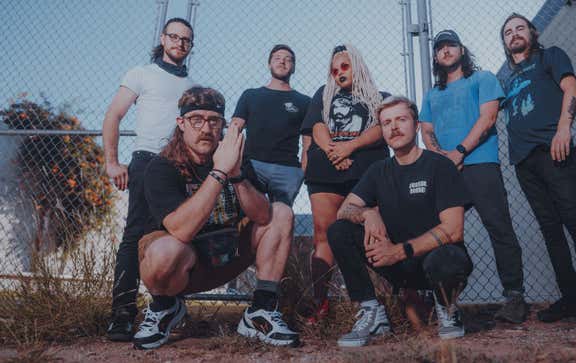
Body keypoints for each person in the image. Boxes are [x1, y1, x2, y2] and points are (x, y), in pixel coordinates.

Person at [132, 86, 299, 349]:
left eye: (213, 121)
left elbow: (264, 216)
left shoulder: (236, 160)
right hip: (184, 267)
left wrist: (236, 174)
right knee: (166, 249)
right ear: (181, 124)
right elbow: (181, 230)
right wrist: (220, 171)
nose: (205, 128)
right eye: (196, 119)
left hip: (227, 256)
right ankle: (165, 307)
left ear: (222, 124)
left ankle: (260, 310)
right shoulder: (162, 167)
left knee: (281, 212)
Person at [327, 96, 473, 346]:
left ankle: (447, 308)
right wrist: (368, 213)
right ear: (382, 131)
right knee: (340, 230)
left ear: (416, 125)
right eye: (386, 123)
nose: (393, 127)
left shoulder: (440, 166)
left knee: (448, 258)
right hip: (398, 266)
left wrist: (399, 251)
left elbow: (453, 230)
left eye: (401, 119)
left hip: (434, 261)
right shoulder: (378, 171)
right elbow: (344, 210)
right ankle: (372, 312)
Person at [500, 13, 576, 328]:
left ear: (532, 33)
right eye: (508, 32)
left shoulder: (550, 55)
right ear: (505, 43)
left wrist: (564, 128)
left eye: (520, 28)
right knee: (550, 230)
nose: (514, 34)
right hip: (524, 162)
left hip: (553, 150)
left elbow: (572, 90)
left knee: (575, 222)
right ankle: (570, 296)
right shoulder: (508, 80)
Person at [419, 30, 527, 323]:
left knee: (499, 226)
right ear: (436, 57)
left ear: (462, 50)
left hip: (479, 164)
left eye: (450, 45)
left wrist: (460, 152)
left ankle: (514, 297)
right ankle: (447, 302)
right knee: (443, 234)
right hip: (446, 171)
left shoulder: (482, 79)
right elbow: (426, 130)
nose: (445, 51)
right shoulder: (432, 94)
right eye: (439, 48)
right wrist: (441, 156)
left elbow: (488, 117)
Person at [102, 17, 196, 341]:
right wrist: (112, 162)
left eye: (186, 40)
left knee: (174, 234)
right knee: (134, 236)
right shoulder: (141, 73)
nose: (179, 43)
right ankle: (122, 315)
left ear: (190, 46)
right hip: (145, 161)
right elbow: (113, 115)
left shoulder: (191, 87)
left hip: (178, 166)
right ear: (163, 38)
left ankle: (164, 308)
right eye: (174, 37)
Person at [300, 44, 390, 324]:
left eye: (345, 66)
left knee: (372, 234)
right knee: (323, 236)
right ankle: (321, 304)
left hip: (364, 172)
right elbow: (317, 127)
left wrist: (348, 148)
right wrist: (333, 152)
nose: (339, 73)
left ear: (358, 66)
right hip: (325, 173)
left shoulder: (381, 97)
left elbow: (379, 129)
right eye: (334, 69)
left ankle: (379, 300)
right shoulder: (323, 95)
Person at [231, 44, 311, 207]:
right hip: (251, 166)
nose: (282, 62)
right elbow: (235, 129)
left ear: (293, 68)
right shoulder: (250, 95)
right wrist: (235, 164)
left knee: (281, 219)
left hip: (287, 169)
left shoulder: (304, 102)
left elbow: (308, 141)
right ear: (269, 64)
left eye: (288, 60)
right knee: (247, 218)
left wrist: (302, 172)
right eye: (277, 58)